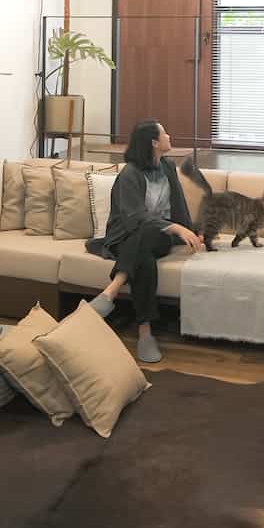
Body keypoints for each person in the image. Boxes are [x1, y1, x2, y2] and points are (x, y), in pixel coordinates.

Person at [85, 120, 203, 363]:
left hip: (157, 237)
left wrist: (191, 230)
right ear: (154, 142)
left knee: (149, 235)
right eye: (164, 133)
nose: (169, 136)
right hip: (125, 236)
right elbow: (134, 217)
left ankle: (110, 292)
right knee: (144, 256)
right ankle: (145, 333)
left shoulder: (168, 167)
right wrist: (176, 228)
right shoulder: (130, 173)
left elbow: (178, 204)